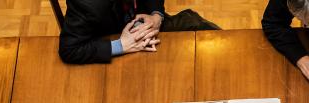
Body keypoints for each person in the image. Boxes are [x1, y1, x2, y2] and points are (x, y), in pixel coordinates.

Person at [59, 0, 220, 64]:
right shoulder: (87, 3)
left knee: (192, 22)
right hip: (109, 43)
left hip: (146, 23)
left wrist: (157, 15)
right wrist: (121, 45)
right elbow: (68, 49)